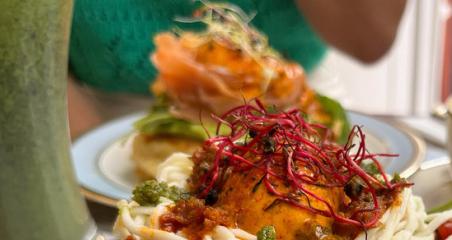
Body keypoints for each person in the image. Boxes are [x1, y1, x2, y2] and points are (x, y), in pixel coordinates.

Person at [67, 0, 408, 138]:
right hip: (98, 121)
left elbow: (370, 39)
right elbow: (21, 65)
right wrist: (97, 159)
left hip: (299, 116)